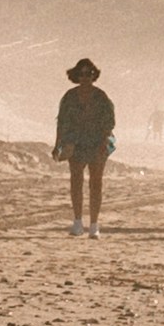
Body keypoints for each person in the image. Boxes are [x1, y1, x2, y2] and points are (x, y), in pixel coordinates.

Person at [54, 58, 114, 236]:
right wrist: (58, 144)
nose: (85, 77)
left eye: (89, 74)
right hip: (76, 143)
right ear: (76, 76)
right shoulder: (69, 96)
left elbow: (109, 122)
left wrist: (104, 140)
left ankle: (94, 225)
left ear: (94, 75)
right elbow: (62, 122)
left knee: (96, 184)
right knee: (76, 183)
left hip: (97, 143)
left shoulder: (101, 96)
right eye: (82, 74)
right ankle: (78, 222)